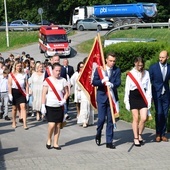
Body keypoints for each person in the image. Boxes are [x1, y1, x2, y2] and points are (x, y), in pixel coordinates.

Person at [92, 53, 121, 149]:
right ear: (106, 60)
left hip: (111, 98)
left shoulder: (117, 70)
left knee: (110, 120)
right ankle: (98, 132)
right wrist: (102, 81)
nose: (112, 63)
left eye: (114, 61)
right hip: (102, 97)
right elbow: (94, 82)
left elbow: (118, 82)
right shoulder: (100, 70)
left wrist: (112, 85)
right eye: (110, 61)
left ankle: (109, 141)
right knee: (101, 119)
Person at [124, 57, 152, 146]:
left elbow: (148, 87)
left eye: (141, 65)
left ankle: (140, 134)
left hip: (142, 96)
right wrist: (126, 101)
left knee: (144, 118)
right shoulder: (130, 74)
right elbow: (127, 89)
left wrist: (149, 99)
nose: (140, 67)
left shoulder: (146, 73)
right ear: (135, 64)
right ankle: (136, 137)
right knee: (135, 118)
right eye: (138, 65)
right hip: (133, 96)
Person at [41, 63, 69, 150]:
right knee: (51, 124)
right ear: (52, 71)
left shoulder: (63, 80)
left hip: (59, 106)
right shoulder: (47, 80)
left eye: (59, 70)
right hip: (50, 105)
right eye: (56, 70)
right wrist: (42, 105)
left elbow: (67, 92)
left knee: (58, 125)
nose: (58, 72)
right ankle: (49, 138)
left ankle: (56, 142)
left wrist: (64, 100)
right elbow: (43, 94)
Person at [149, 50, 170, 142]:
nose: (161, 59)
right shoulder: (153, 67)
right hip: (156, 94)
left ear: (167, 58)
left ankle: (163, 134)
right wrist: (150, 95)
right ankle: (158, 133)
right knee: (159, 113)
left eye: (163, 57)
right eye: (160, 57)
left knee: (165, 114)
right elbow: (149, 81)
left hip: (166, 94)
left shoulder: (169, 67)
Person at [8, 60, 29, 129]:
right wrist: (10, 94)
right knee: (14, 108)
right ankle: (14, 121)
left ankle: (25, 124)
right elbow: (9, 85)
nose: (19, 67)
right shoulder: (11, 75)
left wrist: (27, 93)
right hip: (14, 92)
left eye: (20, 66)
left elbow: (26, 85)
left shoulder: (24, 74)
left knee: (23, 107)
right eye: (18, 66)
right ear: (15, 66)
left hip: (22, 92)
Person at [77, 57, 94, 128]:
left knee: (90, 105)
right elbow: (79, 81)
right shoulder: (82, 72)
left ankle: (89, 120)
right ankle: (84, 120)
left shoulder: (92, 71)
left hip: (91, 89)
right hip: (84, 90)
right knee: (84, 105)